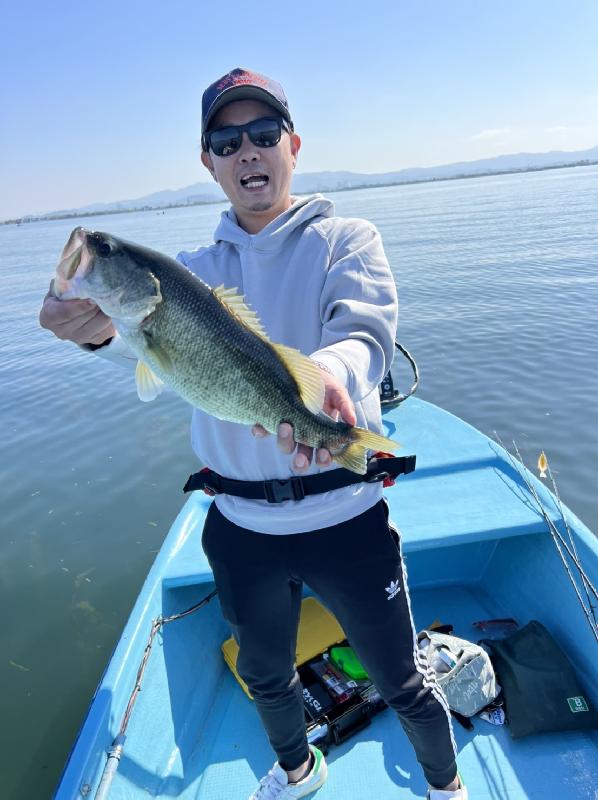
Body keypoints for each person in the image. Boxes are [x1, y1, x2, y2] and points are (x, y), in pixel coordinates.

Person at [40, 68, 467, 800]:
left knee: (401, 677)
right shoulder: (190, 274)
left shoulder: (348, 239)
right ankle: (298, 773)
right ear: (208, 163)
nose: (247, 151)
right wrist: (83, 326)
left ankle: (446, 787)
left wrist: (328, 377)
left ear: (292, 146)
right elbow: (125, 341)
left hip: (346, 514)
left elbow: (365, 335)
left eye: (263, 134)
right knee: (265, 673)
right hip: (240, 525)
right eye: (226, 141)